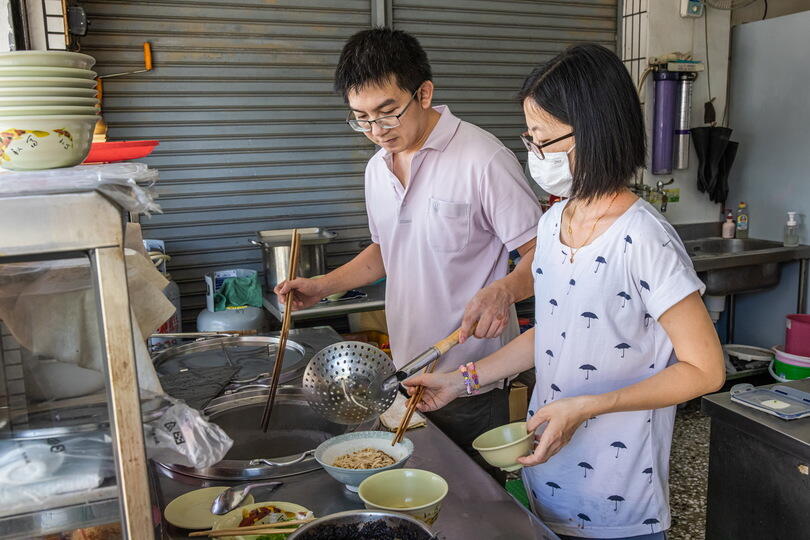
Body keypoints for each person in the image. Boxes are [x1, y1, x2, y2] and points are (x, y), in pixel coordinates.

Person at [404, 43, 725, 539]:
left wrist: (588, 406)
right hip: (547, 473)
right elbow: (555, 332)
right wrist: (462, 381)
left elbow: (705, 371)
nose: (533, 153)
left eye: (544, 139)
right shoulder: (554, 223)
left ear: (594, 135)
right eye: (529, 137)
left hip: (620, 498)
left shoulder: (644, 237)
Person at [274, 28, 542, 471]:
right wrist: (322, 286)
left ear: (424, 93)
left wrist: (505, 290)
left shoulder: (483, 159)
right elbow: (386, 251)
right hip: (403, 375)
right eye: (361, 117)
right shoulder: (376, 169)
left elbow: (542, 257)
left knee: (477, 505)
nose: (376, 131)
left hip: (471, 376)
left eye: (387, 112)